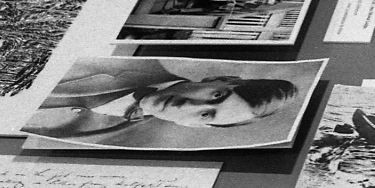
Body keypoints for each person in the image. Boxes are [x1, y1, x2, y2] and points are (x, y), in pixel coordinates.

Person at [23, 59, 299, 139]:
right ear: (221, 78)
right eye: (216, 95)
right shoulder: (107, 60)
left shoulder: (115, 136)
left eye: (206, 115)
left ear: (195, 127)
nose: (190, 106)